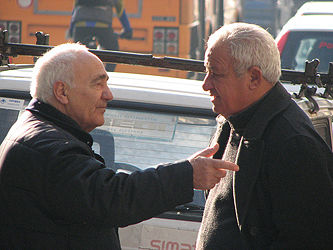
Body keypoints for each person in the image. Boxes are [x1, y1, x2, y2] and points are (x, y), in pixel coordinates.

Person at [0, 43, 239, 249]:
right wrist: (188, 174)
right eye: (98, 84)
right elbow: (112, 197)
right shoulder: (50, 147)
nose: (109, 95)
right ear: (62, 91)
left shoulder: (39, 132)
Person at [195, 22, 333, 249]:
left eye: (216, 74)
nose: (205, 84)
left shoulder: (294, 144)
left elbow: (307, 239)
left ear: (254, 78)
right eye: (206, 72)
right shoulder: (233, 121)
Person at [67, 0, 132, 71]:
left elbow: (75, 9)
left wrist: (71, 31)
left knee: (77, 53)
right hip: (102, 25)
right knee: (113, 50)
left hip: (81, 25)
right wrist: (127, 29)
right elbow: (120, 10)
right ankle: (108, 75)